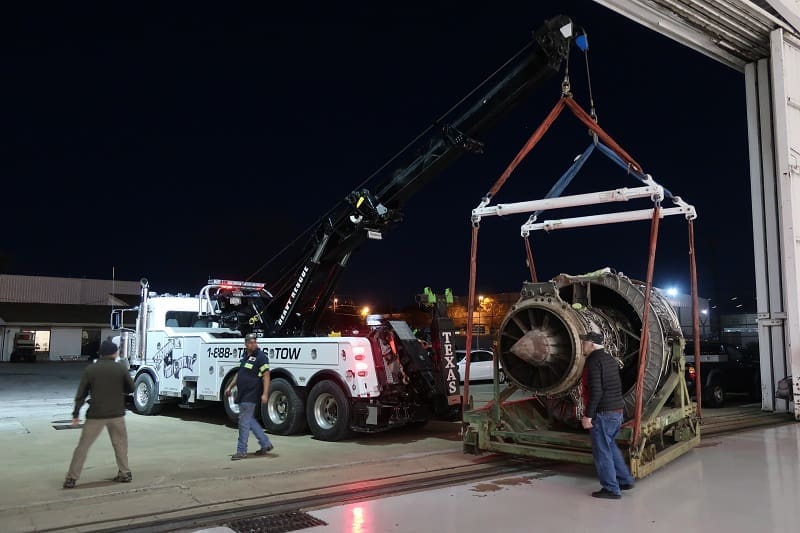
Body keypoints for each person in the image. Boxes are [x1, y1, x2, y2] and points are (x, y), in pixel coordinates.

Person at [64, 339, 135, 488]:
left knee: (83, 447)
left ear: (101, 354)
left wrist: (76, 413)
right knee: (120, 444)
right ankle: (125, 473)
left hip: (96, 415)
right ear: (114, 353)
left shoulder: (91, 369)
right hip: (116, 414)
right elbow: (131, 388)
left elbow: (81, 393)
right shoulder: (120, 368)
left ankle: (71, 478)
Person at [579, 331, 635, 499]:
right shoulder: (610, 359)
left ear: (591, 344)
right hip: (617, 412)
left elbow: (596, 391)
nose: (582, 345)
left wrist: (588, 416)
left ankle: (611, 489)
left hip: (603, 414)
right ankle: (625, 480)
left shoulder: (593, 361)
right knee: (610, 446)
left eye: (584, 342)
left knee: (602, 451)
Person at [224, 333, 274, 460]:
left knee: (243, 422)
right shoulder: (245, 356)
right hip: (242, 394)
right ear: (245, 344)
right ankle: (265, 443)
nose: (254, 344)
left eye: (255, 342)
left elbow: (267, 375)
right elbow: (240, 373)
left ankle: (241, 451)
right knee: (249, 419)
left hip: (251, 394)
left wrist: (265, 393)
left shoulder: (261, 357)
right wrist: (230, 386)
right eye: (251, 342)